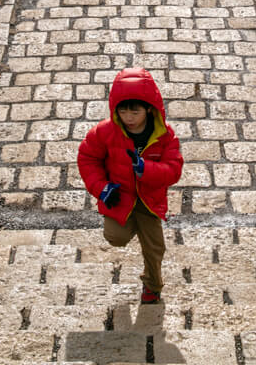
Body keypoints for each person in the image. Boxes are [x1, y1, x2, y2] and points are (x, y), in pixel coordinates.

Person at [77, 67, 183, 304]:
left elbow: (174, 170)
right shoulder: (105, 132)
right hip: (119, 196)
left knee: (155, 248)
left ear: (148, 108)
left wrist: (146, 169)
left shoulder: (165, 135)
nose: (128, 117)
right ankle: (130, 224)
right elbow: (87, 157)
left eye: (134, 111)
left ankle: (153, 287)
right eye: (122, 110)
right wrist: (101, 188)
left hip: (150, 202)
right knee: (116, 237)